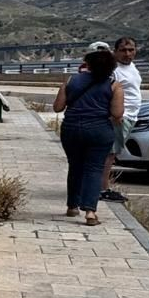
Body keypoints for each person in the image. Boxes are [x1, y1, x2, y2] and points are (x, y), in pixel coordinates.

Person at [53, 43, 125, 226]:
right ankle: (90, 212)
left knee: (75, 166)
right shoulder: (114, 86)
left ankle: (72, 207)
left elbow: (57, 107)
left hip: (71, 129)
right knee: (94, 169)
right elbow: (117, 114)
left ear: (88, 64)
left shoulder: (71, 81)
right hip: (100, 130)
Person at [99, 36, 141, 202]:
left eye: (131, 50)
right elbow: (106, 93)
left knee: (112, 154)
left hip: (130, 116)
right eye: (123, 50)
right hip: (120, 117)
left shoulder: (131, 67)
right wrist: (114, 115)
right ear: (115, 52)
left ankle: (100, 187)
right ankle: (103, 189)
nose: (127, 54)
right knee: (109, 154)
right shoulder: (114, 70)